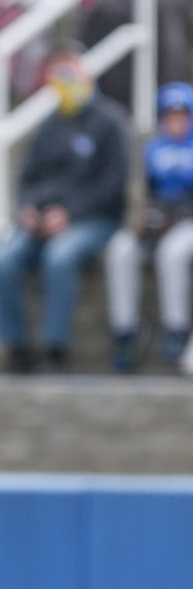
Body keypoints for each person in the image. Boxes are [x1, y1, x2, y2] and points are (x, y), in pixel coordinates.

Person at [0, 47, 129, 373]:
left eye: (71, 72)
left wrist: (70, 215)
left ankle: (55, 349)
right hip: (42, 221)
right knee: (1, 261)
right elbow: (29, 177)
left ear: (86, 74)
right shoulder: (49, 125)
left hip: (94, 220)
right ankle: (17, 349)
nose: (65, 81)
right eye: (58, 74)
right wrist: (28, 210)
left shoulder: (111, 123)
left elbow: (113, 186)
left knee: (59, 257)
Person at [105, 81, 193, 372]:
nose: (176, 120)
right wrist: (140, 219)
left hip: (187, 221)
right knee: (121, 249)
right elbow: (136, 192)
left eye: (183, 114)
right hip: (155, 218)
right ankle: (125, 331)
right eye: (170, 114)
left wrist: (179, 216)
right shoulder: (150, 148)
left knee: (173, 252)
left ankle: (176, 328)